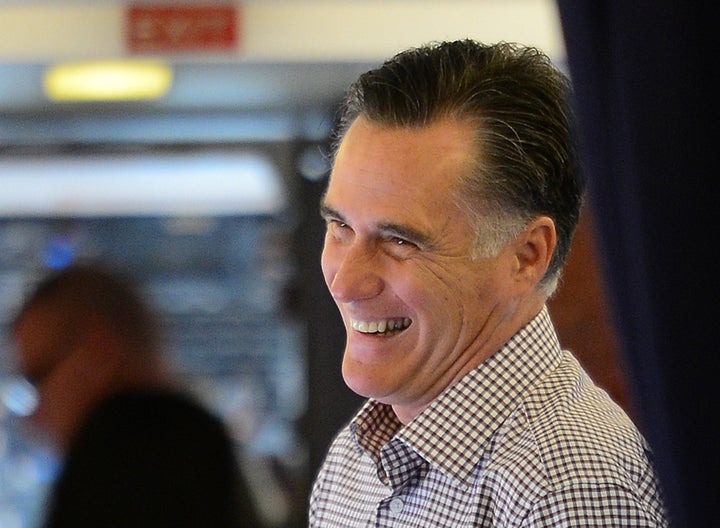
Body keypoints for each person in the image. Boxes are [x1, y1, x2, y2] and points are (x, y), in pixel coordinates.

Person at [308, 40, 668, 527]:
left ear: (526, 256)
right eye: (341, 228)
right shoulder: (356, 460)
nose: (347, 281)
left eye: (399, 242)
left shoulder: (568, 486)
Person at [10, 263, 261, 528]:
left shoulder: (116, 459)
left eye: (39, 376)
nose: (34, 416)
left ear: (98, 350)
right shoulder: (199, 443)